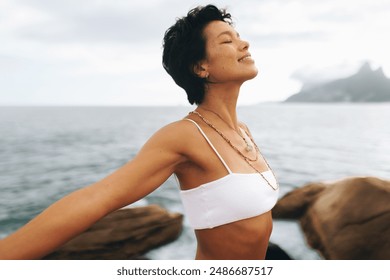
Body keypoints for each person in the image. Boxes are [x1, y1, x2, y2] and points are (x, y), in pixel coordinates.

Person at [0, 4, 279, 260]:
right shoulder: (185, 135)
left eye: (238, 35)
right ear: (200, 67)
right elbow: (97, 198)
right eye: (227, 41)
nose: (244, 43)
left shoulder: (242, 130)